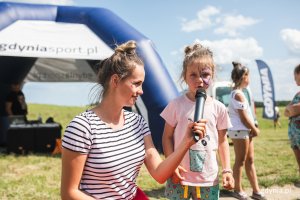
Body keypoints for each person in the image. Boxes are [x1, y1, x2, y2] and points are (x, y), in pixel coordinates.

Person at [60, 40, 207, 200]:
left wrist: (186, 142)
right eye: (136, 84)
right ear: (115, 81)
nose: (141, 91)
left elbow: (159, 173)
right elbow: (69, 193)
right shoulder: (82, 127)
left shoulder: (138, 123)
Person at [161, 43, 234, 200]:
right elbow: (167, 137)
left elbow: (222, 141)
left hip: (208, 180)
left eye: (205, 74)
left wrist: (227, 170)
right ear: (185, 77)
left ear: (212, 75)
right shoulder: (175, 105)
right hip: (179, 178)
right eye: (193, 75)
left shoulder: (219, 108)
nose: (199, 80)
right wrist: (171, 165)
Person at [227, 61, 266, 200]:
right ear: (243, 76)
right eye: (248, 75)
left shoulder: (240, 93)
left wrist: (252, 129)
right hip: (240, 131)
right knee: (240, 161)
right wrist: (254, 129)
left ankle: (256, 191)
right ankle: (238, 190)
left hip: (245, 131)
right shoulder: (238, 94)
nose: (249, 79)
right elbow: (243, 118)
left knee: (250, 160)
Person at [284, 64, 300, 188]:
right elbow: (286, 111)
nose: (294, 79)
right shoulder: (297, 94)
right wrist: (291, 109)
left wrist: (291, 109)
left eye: (295, 76)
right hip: (295, 135)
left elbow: (293, 110)